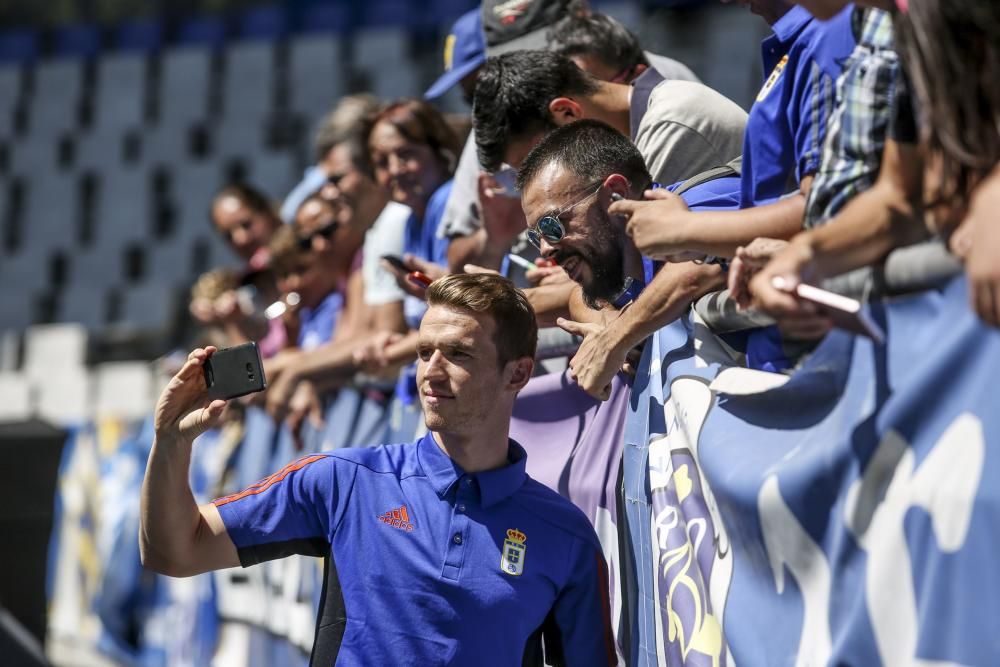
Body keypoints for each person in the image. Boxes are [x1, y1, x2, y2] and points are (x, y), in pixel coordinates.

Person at [139, 273, 617, 665]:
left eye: (458, 353)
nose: (430, 371)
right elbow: (176, 551)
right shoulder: (343, 480)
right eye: (424, 351)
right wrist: (170, 443)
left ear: (517, 373)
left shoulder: (566, 536)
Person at [516, 120, 727, 399]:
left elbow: (701, 269)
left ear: (616, 193)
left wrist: (615, 340)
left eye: (553, 226)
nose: (545, 249)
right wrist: (610, 322)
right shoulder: (620, 265)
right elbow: (575, 298)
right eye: (537, 236)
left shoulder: (704, 198)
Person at [473, 50, 746, 184]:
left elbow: (642, 272)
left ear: (566, 113)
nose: (539, 178)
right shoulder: (641, 134)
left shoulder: (671, 124)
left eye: (532, 161)